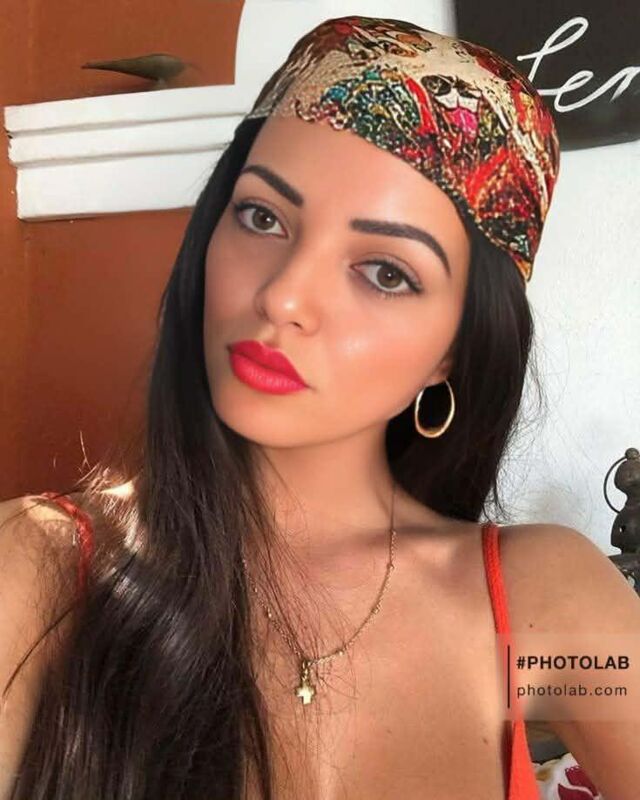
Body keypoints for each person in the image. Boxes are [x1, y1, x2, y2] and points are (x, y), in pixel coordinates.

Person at [1, 14, 639, 800]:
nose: (284, 297)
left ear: (453, 349)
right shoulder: (39, 566)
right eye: (262, 217)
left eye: (385, 272)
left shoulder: (545, 606)